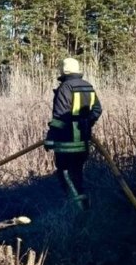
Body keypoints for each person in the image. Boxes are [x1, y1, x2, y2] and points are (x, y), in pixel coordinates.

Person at [44, 57, 102, 209]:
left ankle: (76, 211)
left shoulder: (65, 87)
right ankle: (84, 208)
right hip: (83, 141)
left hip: (66, 142)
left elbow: (59, 116)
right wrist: (87, 123)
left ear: (63, 70)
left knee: (65, 175)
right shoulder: (88, 86)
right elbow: (97, 110)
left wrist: (50, 137)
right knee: (77, 174)